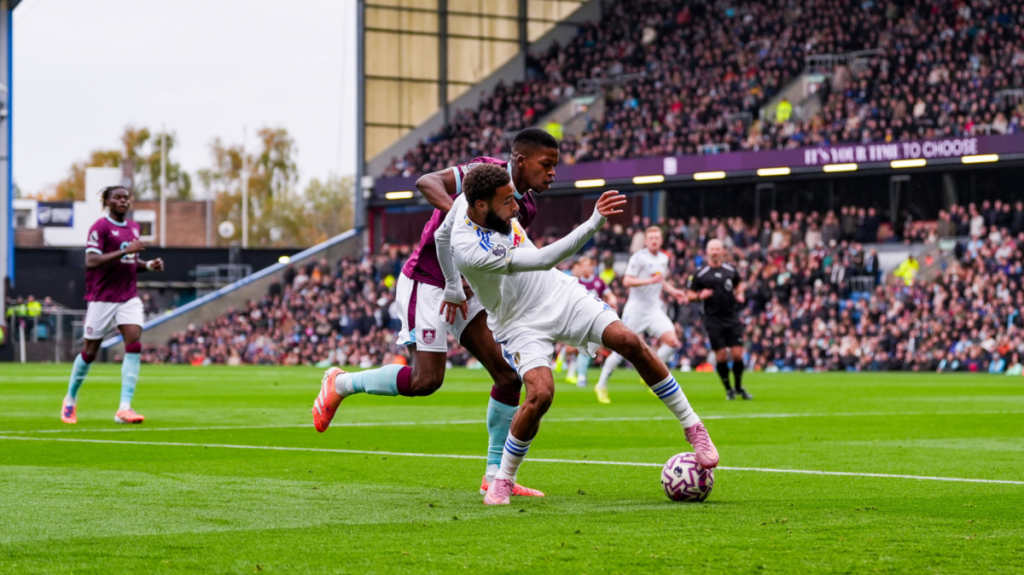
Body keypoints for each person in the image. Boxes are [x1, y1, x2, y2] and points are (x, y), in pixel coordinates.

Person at [436, 164, 718, 505]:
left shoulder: (463, 205)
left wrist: (453, 287)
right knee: (541, 394)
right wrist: (594, 221)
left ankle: (693, 427)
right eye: (508, 201)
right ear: (481, 206)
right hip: (517, 322)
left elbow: (439, 237)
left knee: (629, 341)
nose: (516, 208)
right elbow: (540, 258)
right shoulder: (471, 249)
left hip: (558, 293)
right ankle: (503, 479)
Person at [311, 128, 561, 498]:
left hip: (464, 289)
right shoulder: (482, 171)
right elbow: (426, 182)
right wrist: (461, 220)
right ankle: (341, 383)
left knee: (508, 377)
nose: (553, 172)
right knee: (425, 381)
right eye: (547, 164)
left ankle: (494, 476)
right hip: (427, 283)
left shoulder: (526, 209)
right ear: (521, 161)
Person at [61, 186, 165, 425]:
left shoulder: (133, 227)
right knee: (89, 353)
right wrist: (125, 251)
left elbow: (129, 260)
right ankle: (70, 400)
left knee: (134, 343)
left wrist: (148, 265)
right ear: (106, 201)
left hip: (128, 297)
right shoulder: (100, 227)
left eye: (126, 198)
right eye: (117, 197)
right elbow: (91, 261)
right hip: (101, 298)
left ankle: (124, 408)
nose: (123, 201)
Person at [594, 226, 687, 404]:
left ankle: (649, 374)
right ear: (645, 241)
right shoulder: (638, 258)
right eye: (651, 238)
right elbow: (627, 280)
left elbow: (661, 280)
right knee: (623, 351)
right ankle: (601, 384)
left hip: (654, 309)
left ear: (661, 240)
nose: (654, 241)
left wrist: (674, 292)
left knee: (673, 342)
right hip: (636, 310)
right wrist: (649, 280)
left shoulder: (663, 258)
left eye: (657, 238)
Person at [686, 239, 751, 400]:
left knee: (737, 354)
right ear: (707, 252)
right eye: (712, 249)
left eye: (717, 248)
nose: (715, 251)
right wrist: (700, 295)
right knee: (721, 355)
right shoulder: (700, 273)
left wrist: (740, 292)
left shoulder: (730, 269)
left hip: (731, 316)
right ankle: (728, 389)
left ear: (722, 251)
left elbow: (740, 283)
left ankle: (738, 386)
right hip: (712, 319)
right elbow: (690, 294)